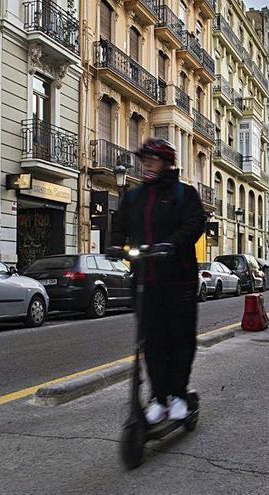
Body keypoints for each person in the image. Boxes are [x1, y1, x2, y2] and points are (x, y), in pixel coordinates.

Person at [110, 138, 206, 424]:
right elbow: (120, 226)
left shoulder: (183, 194)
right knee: (151, 343)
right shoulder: (133, 197)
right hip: (145, 283)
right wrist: (115, 245)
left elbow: (194, 224)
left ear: (165, 164)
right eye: (144, 161)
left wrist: (172, 245)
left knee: (179, 339)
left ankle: (177, 394)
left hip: (179, 282)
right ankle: (158, 396)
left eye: (152, 161)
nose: (146, 166)